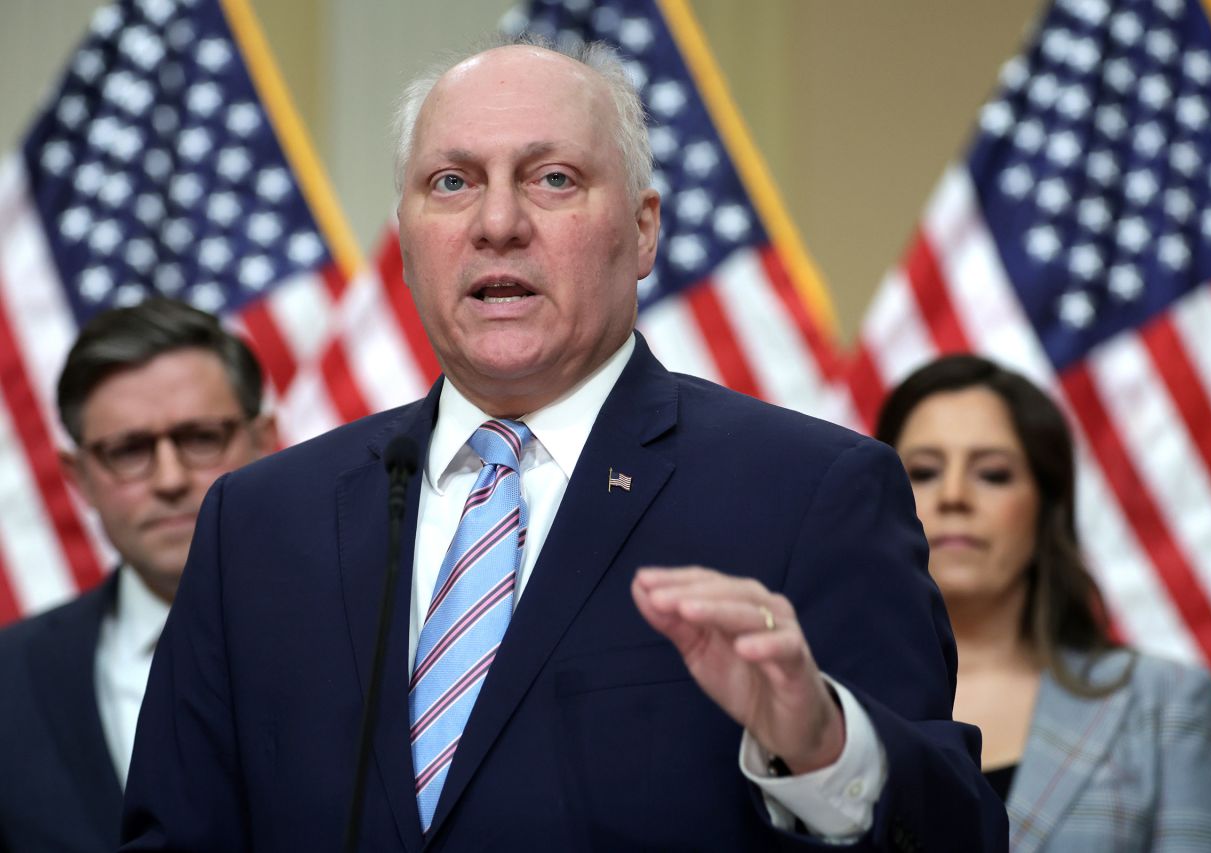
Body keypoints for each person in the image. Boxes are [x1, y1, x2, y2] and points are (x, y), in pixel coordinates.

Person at [122, 38, 1005, 851]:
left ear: (644, 230)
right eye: (452, 182)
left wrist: (825, 750)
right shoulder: (261, 522)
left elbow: (956, 837)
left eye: (551, 179)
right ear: (404, 242)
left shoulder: (810, 494)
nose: (497, 223)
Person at [875, 353, 1211, 852]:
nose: (953, 495)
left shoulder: (1162, 702)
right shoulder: (824, 702)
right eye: (923, 471)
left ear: (1048, 507)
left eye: (993, 474)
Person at [0, 298, 276, 852]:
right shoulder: (10, 683)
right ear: (78, 477)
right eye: (129, 450)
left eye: (201, 438)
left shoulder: (376, 626)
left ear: (266, 441)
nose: (170, 478)